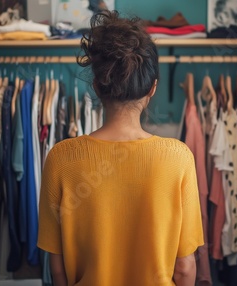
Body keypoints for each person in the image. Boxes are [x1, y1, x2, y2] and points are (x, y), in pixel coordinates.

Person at [37, 10, 204, 286]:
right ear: (152, 89)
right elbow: (185, 268)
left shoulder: (60, 159)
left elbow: (57, 271)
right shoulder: (179, 158)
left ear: (97, 87)